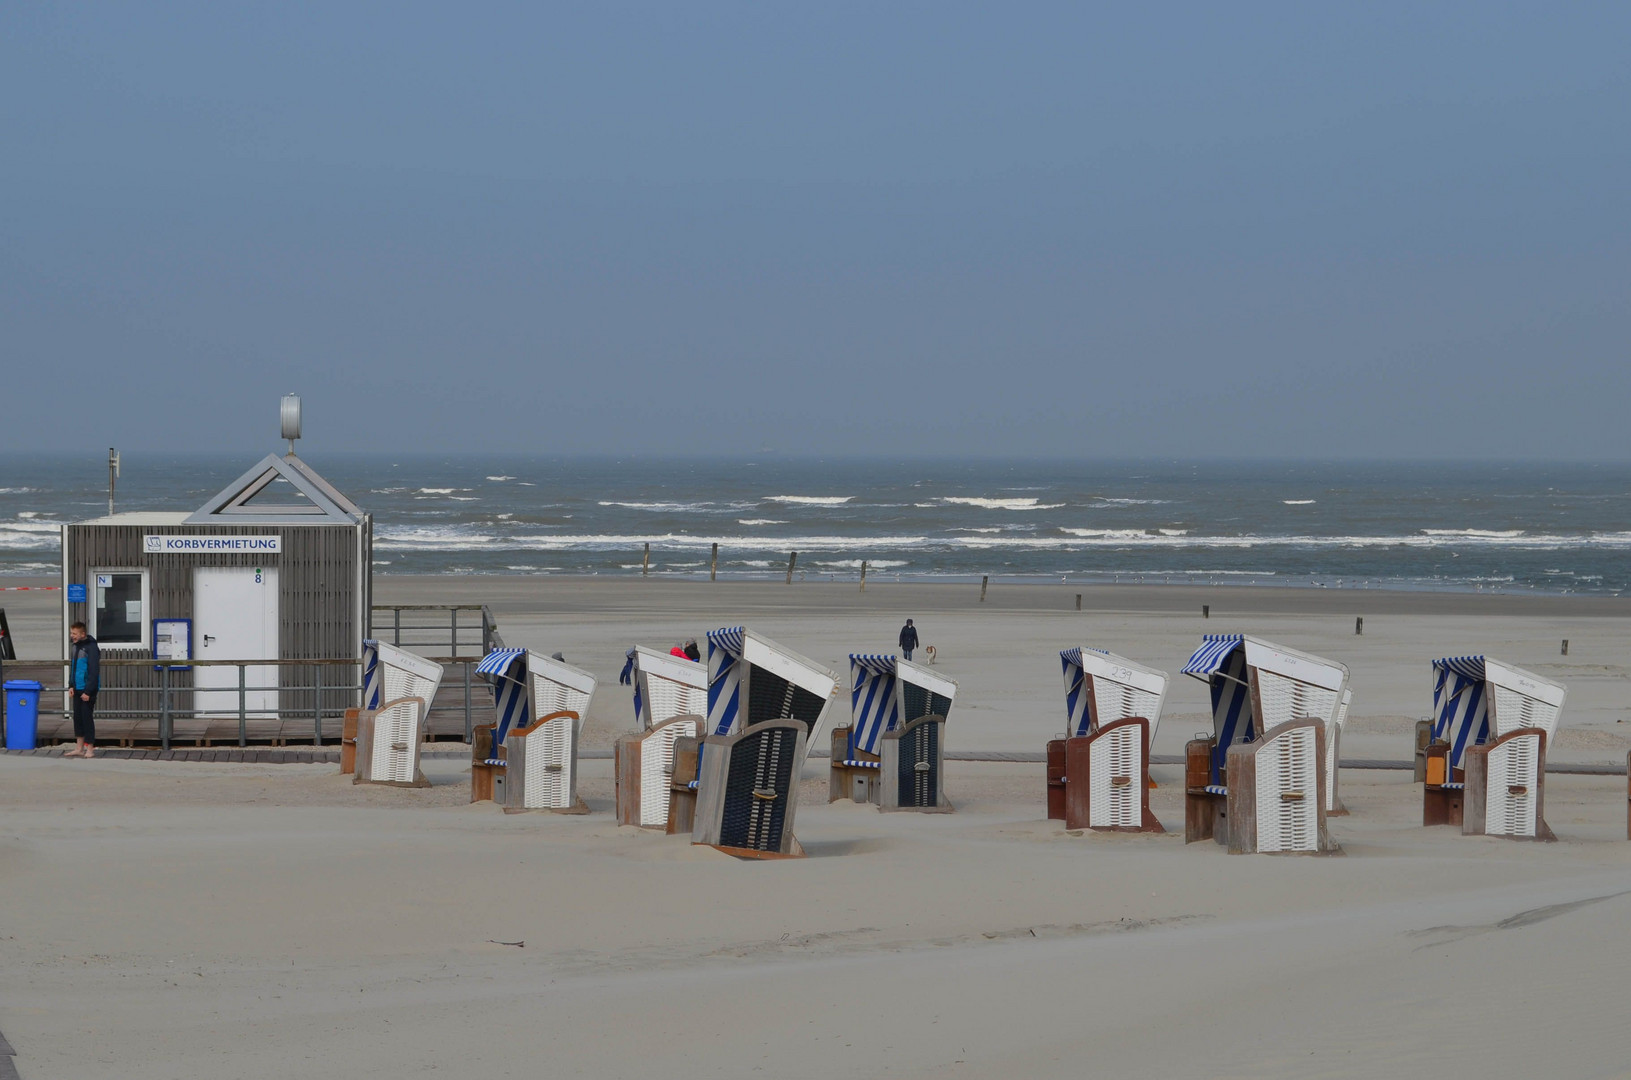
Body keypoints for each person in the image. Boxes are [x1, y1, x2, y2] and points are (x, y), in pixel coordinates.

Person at [67, 621, 100, 759]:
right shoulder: (75, 646)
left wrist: (88, 691)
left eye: (74, 633)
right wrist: (71, 685)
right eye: (71, 633)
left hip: (88, 689)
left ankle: (90, 749)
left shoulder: (91, 648)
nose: (72, 636)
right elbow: (73, 667)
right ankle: (79, 748)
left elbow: (93, 671)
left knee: (87, 718)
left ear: (83, 634)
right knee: (78, 718)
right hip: (77, 687)